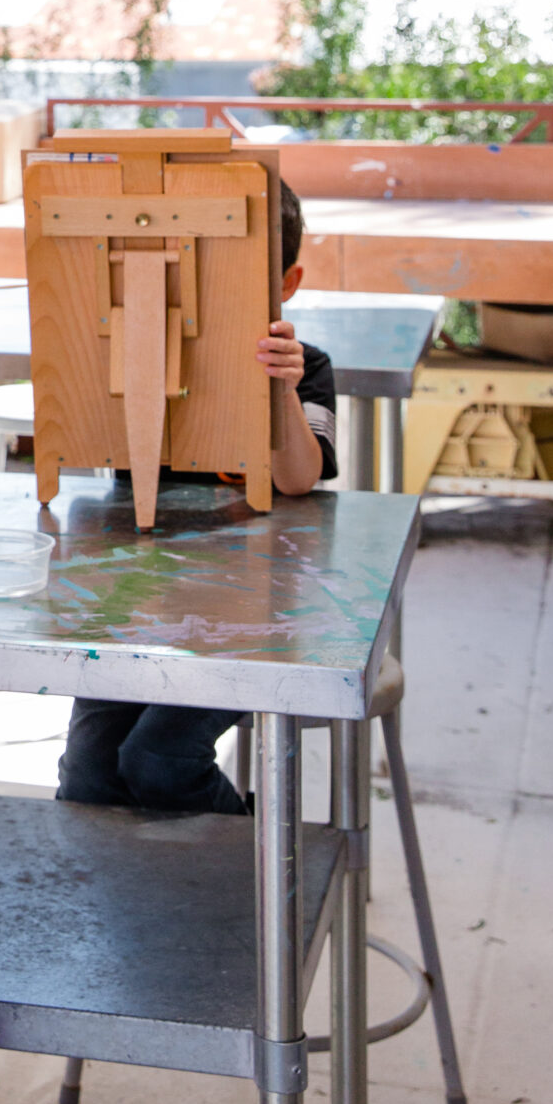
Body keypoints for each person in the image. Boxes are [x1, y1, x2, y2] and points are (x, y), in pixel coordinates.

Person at [56, 178, 338, 817]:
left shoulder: (305, 364)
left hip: (253, 611)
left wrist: (281, 389)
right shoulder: (134, 357)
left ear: (286, 283)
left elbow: (299, 478)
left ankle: (256, 872)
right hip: (138, 595)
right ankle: (138, 899)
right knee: (88, 775)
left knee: (159, 759)